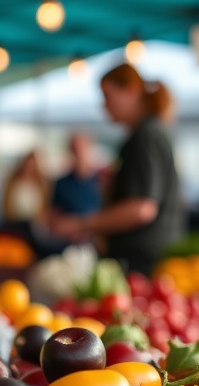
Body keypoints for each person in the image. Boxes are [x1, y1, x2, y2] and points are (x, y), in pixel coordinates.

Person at [51, 64, 183, 274]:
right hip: (144, 258)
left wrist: (81, 224)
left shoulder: (145, 136)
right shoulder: (149, 133)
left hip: (141, 263)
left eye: (107, 96)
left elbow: (141, 208)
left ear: (130, 91)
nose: (104, 106)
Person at [51, 132, 102, 216]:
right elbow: (55, 212)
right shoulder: (61, 184)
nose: (79, 153)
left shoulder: (102, 180)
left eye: (82, 148)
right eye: (75, 149)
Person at [2, 151, 49, 223]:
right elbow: (5, 204)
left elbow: (44, 207)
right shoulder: (12, 183)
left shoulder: (41, 185)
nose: (29, 168)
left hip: (34, 223)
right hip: (14, 221)